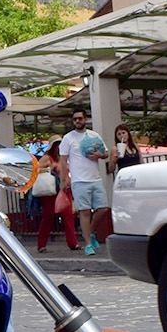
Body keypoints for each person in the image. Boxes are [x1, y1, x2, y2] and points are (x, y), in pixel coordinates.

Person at [60, 109, 109, 255]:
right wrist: (65, 178)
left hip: (95, 178)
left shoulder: (94, 135)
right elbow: (63, 160)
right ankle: (88, 244)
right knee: (84, 211)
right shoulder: (68, 138)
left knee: (103, 208)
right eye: (75, 119)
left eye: (80, 118)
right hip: (79, 180)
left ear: (85, 119)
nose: (77, 121)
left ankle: (90, 231)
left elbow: (106, 153)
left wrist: (99, 155)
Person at [32, 139, 79, 252]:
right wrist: (49, 168)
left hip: (64, 189)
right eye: (57, 145)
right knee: (48, 217)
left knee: (68, 217)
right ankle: (41, 244)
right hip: (51, 191)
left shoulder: (64, 158)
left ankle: (73, 243)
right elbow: (36, 169)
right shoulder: (47, 158)